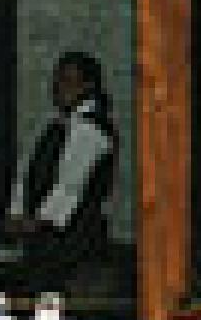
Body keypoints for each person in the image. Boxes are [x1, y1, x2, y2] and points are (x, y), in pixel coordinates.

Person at [8, 47, 121, 276]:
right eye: (57, 81)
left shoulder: (91, 129)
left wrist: (38, 221)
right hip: (46, 239)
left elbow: (71, 185)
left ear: (88, 86)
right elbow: (28, 172)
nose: (59, 88)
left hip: (72, 242)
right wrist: (17, 212)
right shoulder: (57, 128)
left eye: (69, 81)